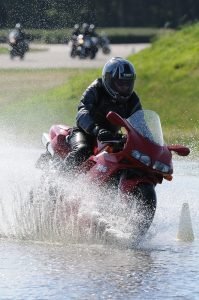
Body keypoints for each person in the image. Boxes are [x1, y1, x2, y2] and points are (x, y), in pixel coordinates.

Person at [61, 57, 142, 171]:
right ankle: (55, 182)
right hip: (86, 133)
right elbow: (82, 111)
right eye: (120, 83)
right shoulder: (96, 89)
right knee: (82, 150)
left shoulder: (132, 99)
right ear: (109, 80)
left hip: (112, 138)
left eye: (127, 84)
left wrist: (151, 143)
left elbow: (140, 122)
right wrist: (96, 130)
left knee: (132, 159)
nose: (124, 87)